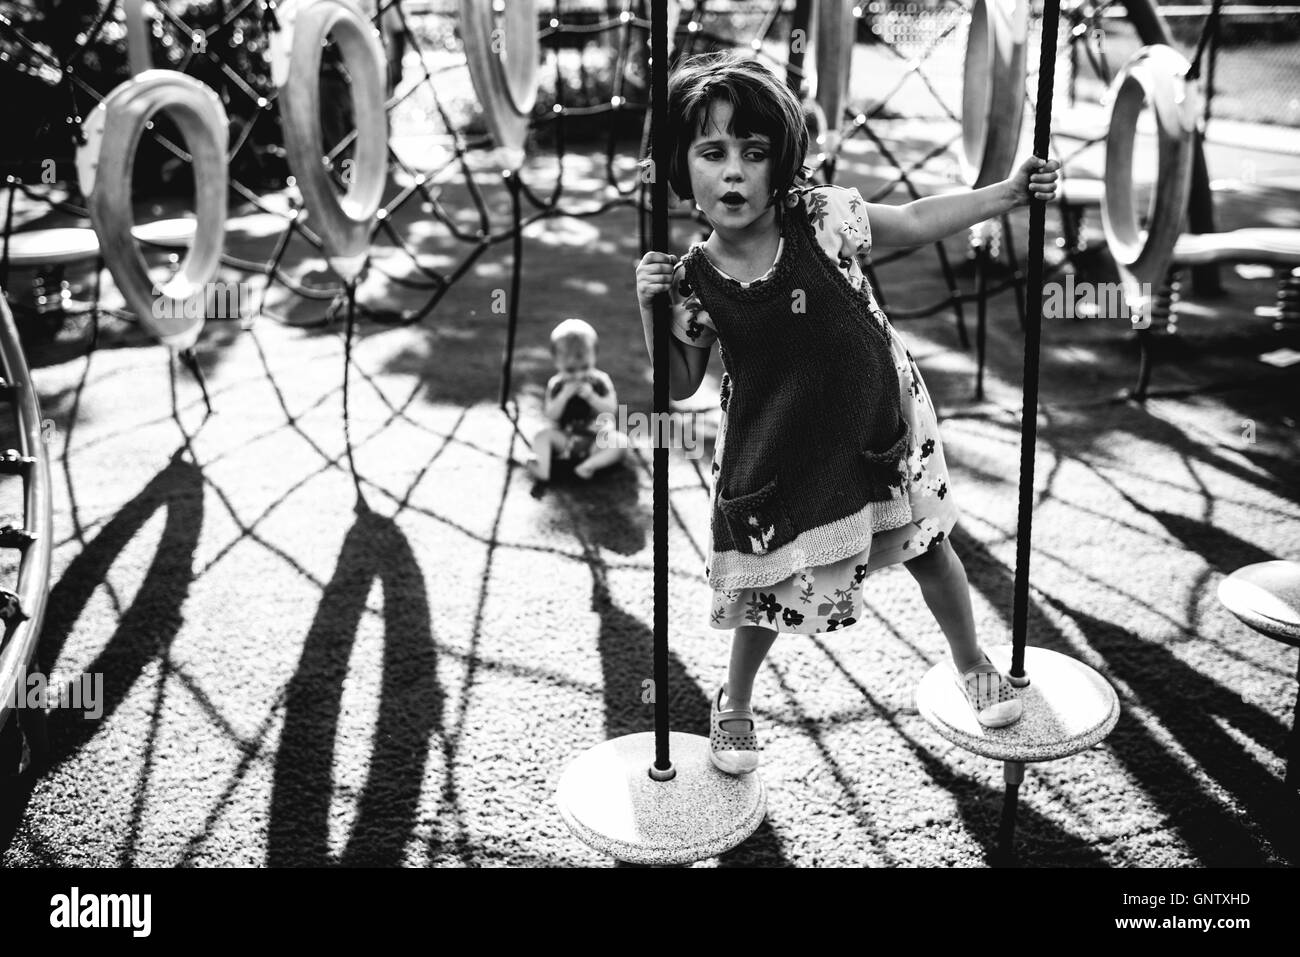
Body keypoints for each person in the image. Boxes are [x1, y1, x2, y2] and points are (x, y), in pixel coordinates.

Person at [634, 52, 1059, 775]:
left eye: (754, 152)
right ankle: (733, 702)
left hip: (877, 427)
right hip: (780, 448)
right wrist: (651, 308)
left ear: (783, 164)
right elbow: (678, 385)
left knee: (928, 548)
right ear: (683, 168)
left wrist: (1006, 195)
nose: (733, 172)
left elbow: (919, 220)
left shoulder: (823, 217)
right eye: (712, 151)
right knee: (768, 588)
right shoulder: (692, 280)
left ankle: (970, 658)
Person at [529, 318, 629, 482]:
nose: (578, 375)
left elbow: (611, 409)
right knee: (542, 436)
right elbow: (551, 414)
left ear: (594, 358)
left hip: (596, 440)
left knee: (621, 442)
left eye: (584, 367)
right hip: (565, 439)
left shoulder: (600, 381)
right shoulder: (557, 384)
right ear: (556, 362)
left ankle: (589, 465)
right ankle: (543, 469)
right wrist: (563, 396)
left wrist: (592, 397)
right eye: (570, 370)